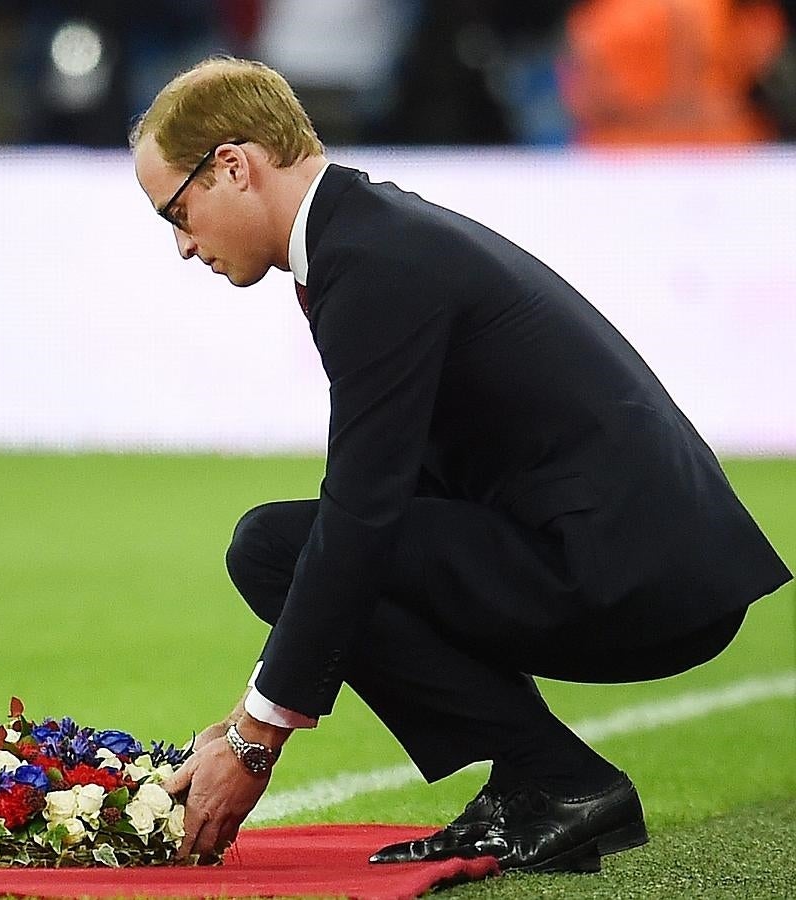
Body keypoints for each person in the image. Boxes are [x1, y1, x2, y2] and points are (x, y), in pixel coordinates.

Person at [130, 57, 792, 874]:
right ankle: (543, 776)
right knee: (299, 550)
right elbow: (402, 490)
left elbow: (365, 510)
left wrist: (253, 735)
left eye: (177, 210)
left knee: (277, 547)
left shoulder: (372, 260)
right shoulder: (371, 233)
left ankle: (557, 779)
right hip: (635, 554)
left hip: (631, 573)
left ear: (233, 164)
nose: (183, 244)